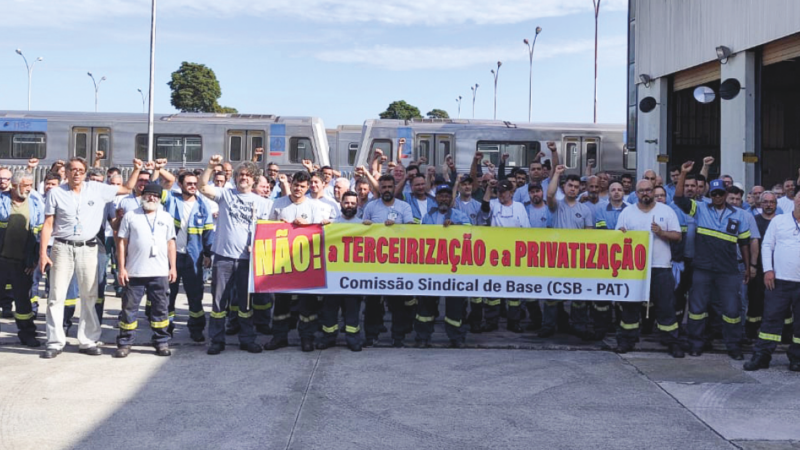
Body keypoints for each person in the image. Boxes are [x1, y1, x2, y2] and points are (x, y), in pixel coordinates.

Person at [39, 157, 138, 359]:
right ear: (66, 172)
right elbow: (48, 224)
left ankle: (88, 340)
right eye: (73, 169)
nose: (77, 173)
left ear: (85, 173)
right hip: (62, 247)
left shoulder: (97, 189)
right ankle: (55, 342)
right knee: (56, 296)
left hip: (88, 247)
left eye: (81, 170)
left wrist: (137, 169)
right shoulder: (56, 193)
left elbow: (127, 188)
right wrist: (43, 254)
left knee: (89, 295)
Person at [674, 162, 751, 360]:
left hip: (728, 271)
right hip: (703, 269)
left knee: (732, 310)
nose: (717, 197)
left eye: (720, 193)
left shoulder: (740, 215)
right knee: (697, 309)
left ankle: (733, 346)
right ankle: (695, 344)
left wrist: (748, 267)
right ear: (710, 194)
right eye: (714, 193)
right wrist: (683, 173)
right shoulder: (700, 209)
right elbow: (679, 198)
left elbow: (744, 243)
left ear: (726, 194)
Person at [200, 156, 271, 355]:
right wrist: (210, 167)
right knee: (218, 303)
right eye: (240, 174)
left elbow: (270, 230)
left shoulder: (263, 203)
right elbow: (202, 187)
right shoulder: (225, 195)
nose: (243, 178)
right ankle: (216, 340)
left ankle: (247, 339)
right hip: (223, 257)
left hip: (248, 260)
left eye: (248, 175)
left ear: (254, 179)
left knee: (245, 304)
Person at [615, 180, 684, 357]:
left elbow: (677, 236)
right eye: (641, 191)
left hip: (660, 267)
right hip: (634, 269)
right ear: (636, 193)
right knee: (630, 306)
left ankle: (671, 341)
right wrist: (621, 234)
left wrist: (661, 233)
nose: (645, 193)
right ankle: (626, 340)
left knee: (666, 306)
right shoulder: (627, 212)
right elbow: (617, 238)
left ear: (653, 191)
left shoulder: (666, 211)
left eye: (648, 190)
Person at [115, 183, 177, 358]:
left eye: (155, 195)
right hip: (134, 272)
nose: (152, 198)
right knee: (129, 309)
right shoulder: (130, 216)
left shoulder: (166, 217)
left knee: (160, 309)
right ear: (143, 196)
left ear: (159, 198)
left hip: (159, 272)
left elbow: (171, 243)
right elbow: (122, 243)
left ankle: (161, 341)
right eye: (148, 194)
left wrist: (172, 267)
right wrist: (122, 268)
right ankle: (125, 343)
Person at [265, 171, 324, 352]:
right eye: (296, 185)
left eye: (302, 186)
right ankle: (279, 336)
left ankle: (307, 337)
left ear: (307, 188)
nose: (298, 189)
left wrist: (306, 226)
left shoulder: (314, 206)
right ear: (290, 185)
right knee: (281, 301)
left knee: (307, 303)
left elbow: (320, 231)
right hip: (282, 261)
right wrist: (278, 226)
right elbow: (267, 229)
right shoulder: (278, 203)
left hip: (306, 262)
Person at [744, 185, 800, 373]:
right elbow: (767, 245)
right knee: (771, 319)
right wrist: (768, 270)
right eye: (799, 199)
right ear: (794, 201)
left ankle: (797, 358)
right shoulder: (779, 221)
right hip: (779, 281)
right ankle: (762, 356)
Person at [416, 184, 472, 348]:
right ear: (436, 198)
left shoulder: (460, 215)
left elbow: (471, 233)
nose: (444, 199)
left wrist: (456, 227)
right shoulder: (428, 216)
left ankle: (456, 337)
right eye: (441, 195)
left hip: (454, 268)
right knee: (426, 304)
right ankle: (423, 336)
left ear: (451, 199)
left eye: (447, 196)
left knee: (455, 305)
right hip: (432, 267)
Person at [362, 174, 415, 347]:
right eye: (383, 187)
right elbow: (361, 229)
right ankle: (371, 335)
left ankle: (398, 337)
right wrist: (367, 225)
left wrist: (397, 227)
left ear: (394, 188)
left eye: (389, 187)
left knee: (397, 303)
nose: (386, 190)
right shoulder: (371, 206)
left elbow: (411, 230)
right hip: (374, 263)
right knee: (372, 303)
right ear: (379, 189)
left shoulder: (404, 206)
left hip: (396, 264)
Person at [545, 165, 597, 339]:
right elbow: (549, 195)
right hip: (557, 257)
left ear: (580, 188)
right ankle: (549, 325)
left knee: (578, 294)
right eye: (570, 186)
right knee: (552, 293)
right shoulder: (556, 206)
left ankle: (579, 326)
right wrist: (557, 173)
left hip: (577, 259)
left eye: (576, 186)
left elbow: (589, 235)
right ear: (564, 187)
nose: (573, 189)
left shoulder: (585, 210)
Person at [165, 172, 215, 343]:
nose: (193, 186)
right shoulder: (171, 199)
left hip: (194, 257)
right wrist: (159, 168)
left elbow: (208, 232)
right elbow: (158, 186)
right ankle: (166, 328)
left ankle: (196, 328)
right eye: (189, 183)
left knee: (195, 296)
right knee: (168, 294)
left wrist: (208, 254)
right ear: (180, 185)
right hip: (172, 257)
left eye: (195, 183)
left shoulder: (203, 205)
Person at [477, 178, 531, 333]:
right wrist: (489, 188)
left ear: (511, 192)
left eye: (504, 192)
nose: (501, 194)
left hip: (514, 255)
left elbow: (527, 230)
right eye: (499, 191)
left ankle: (514, 321)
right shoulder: (493, 204)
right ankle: (491, 321)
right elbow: (484, 210)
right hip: (494, 255)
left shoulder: (519, 207)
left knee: (514, 290)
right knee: (492, 289)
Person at [0, 170, 44, 347]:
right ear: (14, 185)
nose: (29, 189)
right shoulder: (1, 201)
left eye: (30, 185)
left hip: (22, 263)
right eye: (25, 185)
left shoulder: (35, 204)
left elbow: (39, 236)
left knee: (23, 302)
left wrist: (34, 260)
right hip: (2, 260)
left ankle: (27, 334)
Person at [317, 191, 363, 352]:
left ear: (357, 205)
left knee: (352, 311)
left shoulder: (364, 225)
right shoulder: (331, 224)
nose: (349, 206)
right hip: (332, 277)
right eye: (346, 203)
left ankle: (353, 339)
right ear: (341, 204)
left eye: (353, 203)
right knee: (329, 310)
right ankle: (328, 338)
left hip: (353, 277)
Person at [746, 191, 778, 339]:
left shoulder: (781, 221)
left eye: (772, 202)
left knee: (777, 303)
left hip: (778, 270)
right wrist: (751, 266)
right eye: (766, 202)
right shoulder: (754, 221)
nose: (769, 205)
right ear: (760, 203)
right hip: (757, 269)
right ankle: (751, 332)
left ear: (776, 204)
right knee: (755, 301)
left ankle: (781, 333)